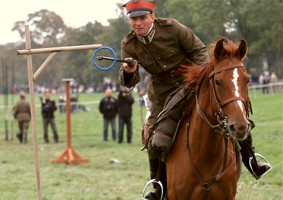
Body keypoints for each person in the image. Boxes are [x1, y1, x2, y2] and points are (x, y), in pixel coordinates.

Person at [119, 1, 271, 199]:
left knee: (232, 113)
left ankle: (251, 160)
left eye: (142, 18)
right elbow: (128, 82)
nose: (138, 23)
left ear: (152, 16)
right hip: (162, 94)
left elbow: (199, 51)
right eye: (133, 19)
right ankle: (158, 185)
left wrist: (200, 78)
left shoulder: (173, 28)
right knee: (155, 137)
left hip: (191, 82)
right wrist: (129, 71)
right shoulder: (128, 44)